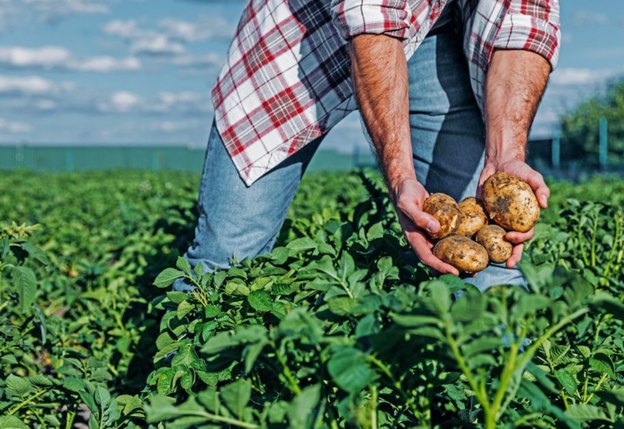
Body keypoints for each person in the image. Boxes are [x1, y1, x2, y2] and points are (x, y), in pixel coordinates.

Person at [174, 0, 560, 292]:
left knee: (486, 251)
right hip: (305, 34)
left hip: (439, 29)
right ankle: (190, 399)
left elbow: (524, 24)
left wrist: (506, 153)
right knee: (227, 256)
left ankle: (493, 390)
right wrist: (400, 177)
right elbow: (373, 20)